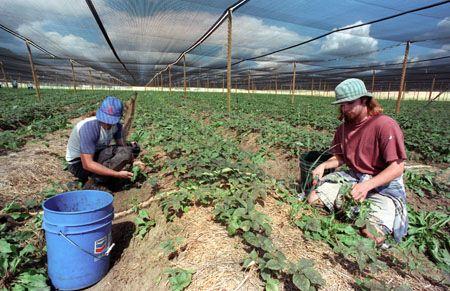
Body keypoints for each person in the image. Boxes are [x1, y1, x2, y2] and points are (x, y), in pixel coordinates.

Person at [306, 78, 408, 244]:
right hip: (355, 178)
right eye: (342, 104)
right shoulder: (344, 128)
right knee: (314, 199)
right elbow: (341, 157)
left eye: (349, 103)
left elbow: (397, 168)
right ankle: (349, 212)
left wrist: (367, 186)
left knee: (371, 234)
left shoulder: (385, 125)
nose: (345, 108)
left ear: (364, 100)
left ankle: (363, 216)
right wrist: (324, 165)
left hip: (383, 186)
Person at [65, 96, 139, 190]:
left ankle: (101, 178)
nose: (108, 123)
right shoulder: (90, 128)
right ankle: (93, 184)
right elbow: (87, 164)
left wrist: (134, 161)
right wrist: (116, 174)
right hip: (78, 163)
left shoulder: (117, 126)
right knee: (111, 181)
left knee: (128, 150)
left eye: (111, 120)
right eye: (106, 119)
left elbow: (122, 147)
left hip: (96, 154)